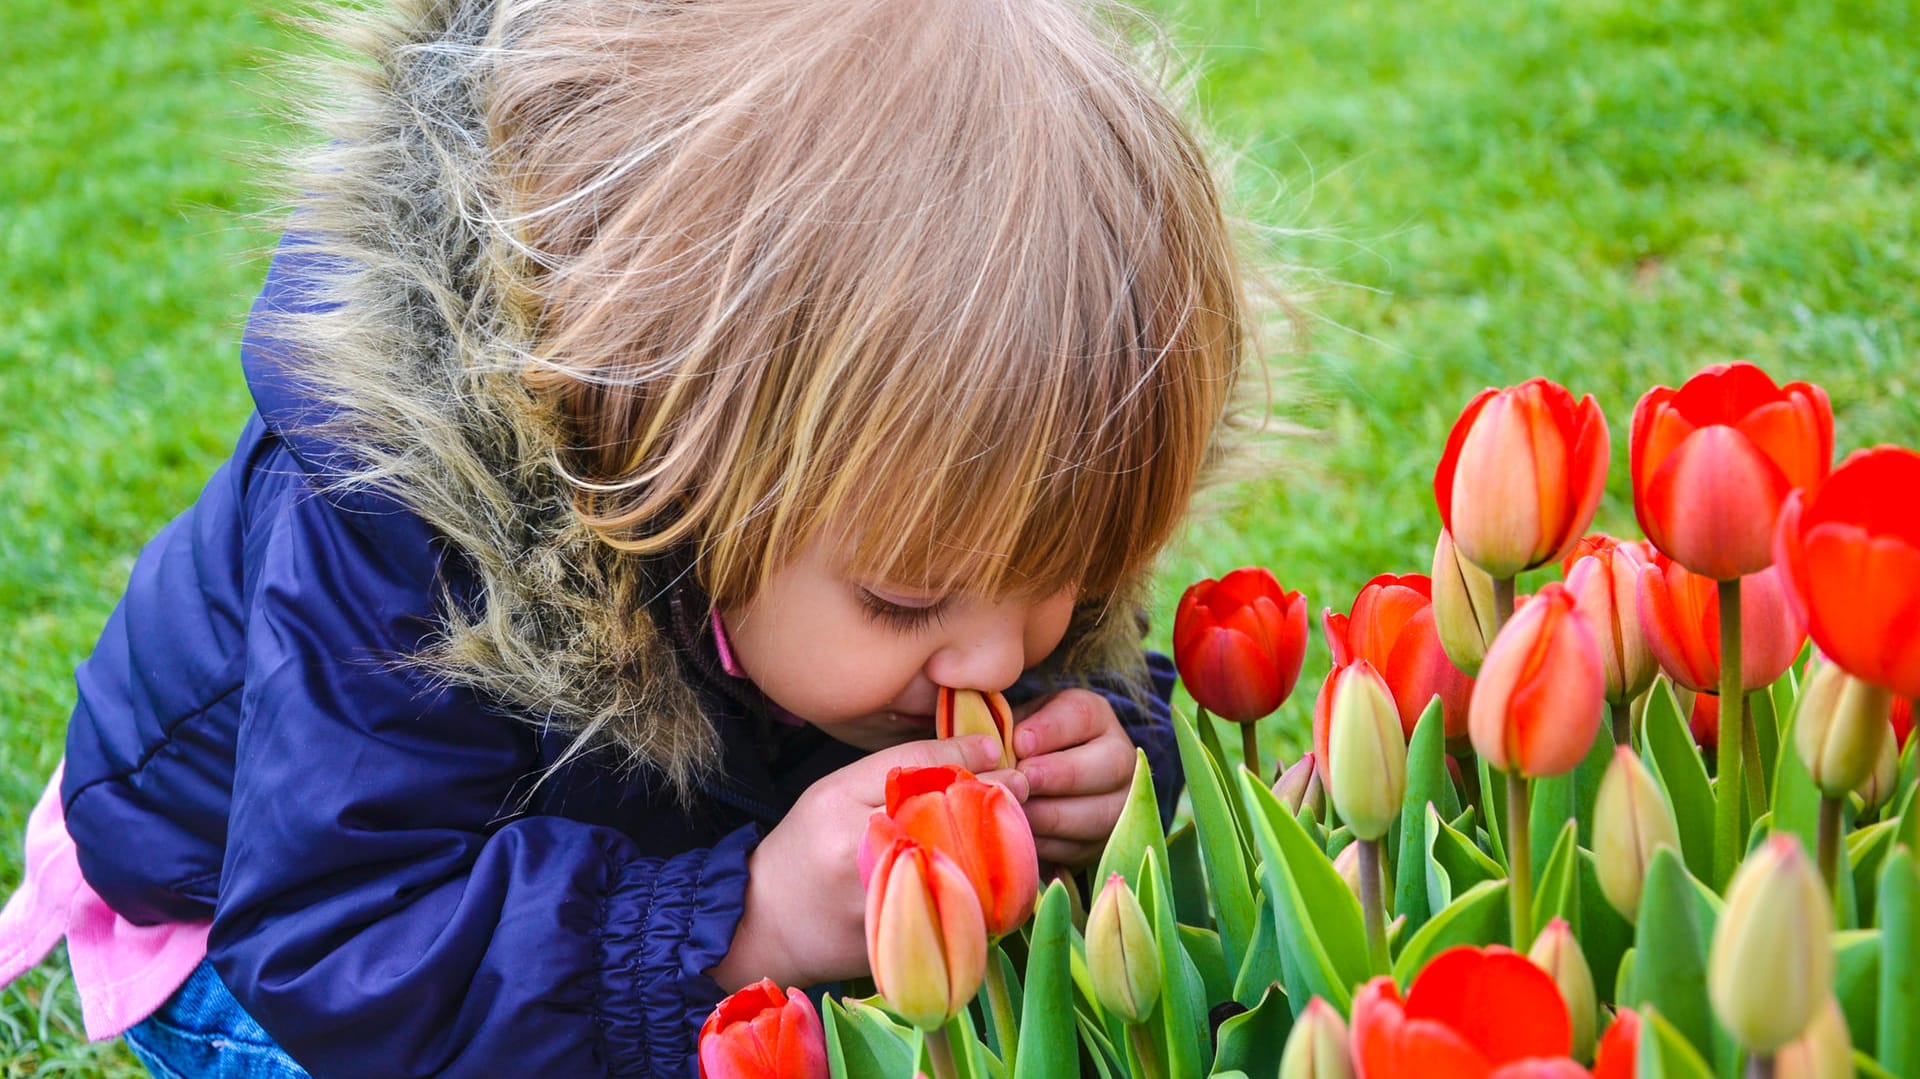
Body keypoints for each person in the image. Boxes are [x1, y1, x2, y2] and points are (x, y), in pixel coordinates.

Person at [0, 0, 1274, 1073]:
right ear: (664, 447)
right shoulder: (399, 527)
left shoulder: (944, 503)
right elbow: (343, 942)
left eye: (1066, 581)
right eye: (903, 599)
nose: (996, 661)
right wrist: (747, 924)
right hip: (255, 922)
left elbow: (1045, 671)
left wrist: (1118, 763)